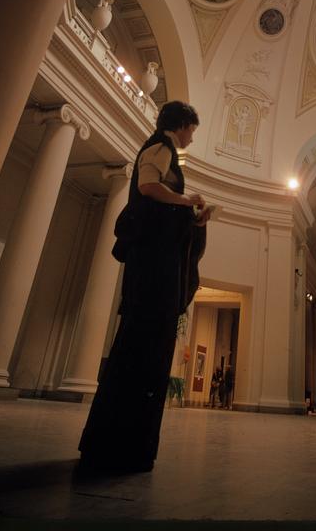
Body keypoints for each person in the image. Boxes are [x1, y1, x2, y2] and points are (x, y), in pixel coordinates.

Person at [78, 101, 212, 473]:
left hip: (155, 267)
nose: (192, 137)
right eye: (192, 129)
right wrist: (187, 201)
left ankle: (126, 447)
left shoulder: (167, 152)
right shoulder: (159, 148)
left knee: (146, 350)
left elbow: (160, 201)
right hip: (152, 272)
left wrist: (193, 214)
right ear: (182, 124)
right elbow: (148, 187)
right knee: (141, 348)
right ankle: (120, 446)